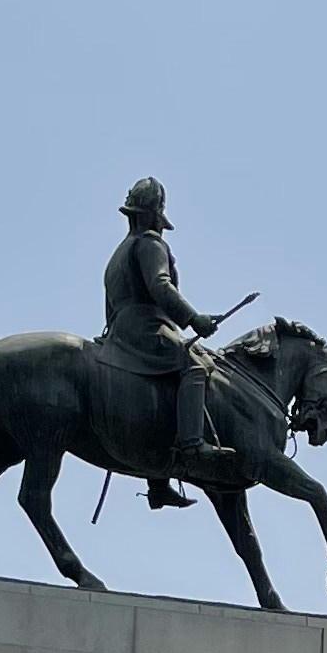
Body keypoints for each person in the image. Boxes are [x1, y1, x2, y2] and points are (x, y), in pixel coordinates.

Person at [99, 178, 237, 500]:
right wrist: (194, 318)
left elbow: (110, 304)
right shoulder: (149, 244)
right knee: (194, 366)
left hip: (120, 330)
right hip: (145, 328)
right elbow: (161, 287)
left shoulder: (118, 254)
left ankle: (158, 484)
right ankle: (192, 445)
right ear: (154, 215)